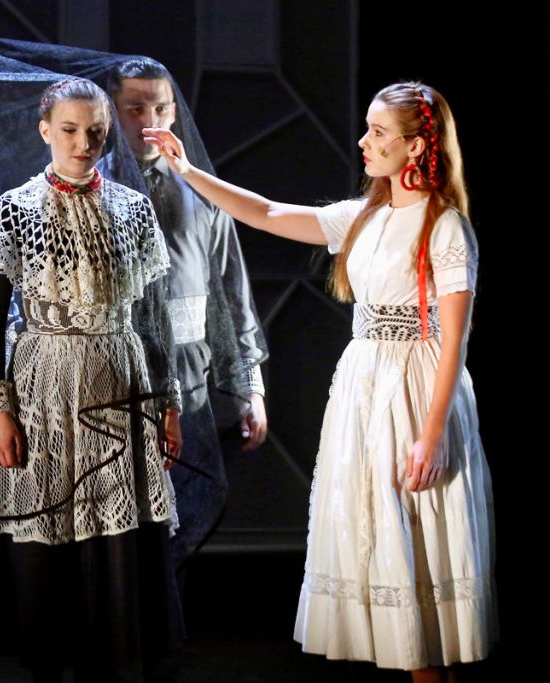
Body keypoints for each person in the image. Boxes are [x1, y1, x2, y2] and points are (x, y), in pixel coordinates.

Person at [143, 81, 495, 680]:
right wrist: (188, 171)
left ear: (416, 146)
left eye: (378, 132)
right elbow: (267, 212)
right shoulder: (366, 215)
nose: (363, 142)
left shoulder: (444, 227)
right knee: (377, 535)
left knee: (419, 536)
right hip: (364, 384)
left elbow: (454, 340)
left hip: (416, 389)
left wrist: (432, 433)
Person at [0, 78, 185, 683]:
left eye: (96, 133)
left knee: (112, 543)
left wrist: (168, 404)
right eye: (69, 130)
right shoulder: (16, 209)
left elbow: (154, 317)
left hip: (120, 382)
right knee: (47, 535)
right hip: (43, 388)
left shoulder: (133, 209)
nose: (83, 143)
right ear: (45, 131)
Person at [106, 58, 268, 564]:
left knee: (184, 504)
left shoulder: (204, 190)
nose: (148, 121)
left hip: (191, 371)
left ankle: (168, 604)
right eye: (134, 109)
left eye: (159, 108)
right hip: (116, 368)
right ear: (113, 111)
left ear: (174, 111)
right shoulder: (93, 185)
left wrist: (251, 387)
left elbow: (233, 292)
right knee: (117, 508)